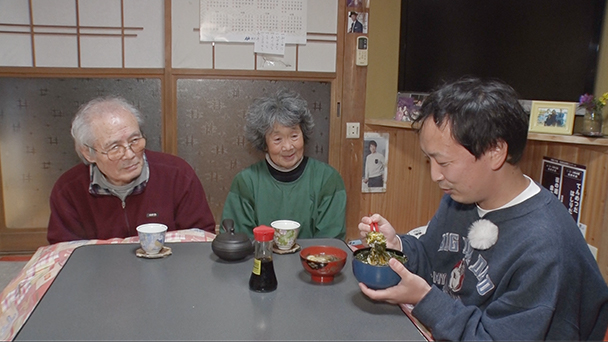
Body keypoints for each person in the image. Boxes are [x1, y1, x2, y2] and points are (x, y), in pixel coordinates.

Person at [357, 77, 608, 340]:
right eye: (428, 160)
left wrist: (426, 300)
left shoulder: (546, 248)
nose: (434, 175)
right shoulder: (461, 197)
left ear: (495, 151)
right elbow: (434, 259)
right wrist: (397, 245)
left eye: (443, 162)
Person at [47, 96, 215, 244]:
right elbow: (64, 251)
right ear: (88, 153)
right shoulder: (68, 190)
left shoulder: (177, 174)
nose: (129, 154)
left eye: (135, 140)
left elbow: (201, 237)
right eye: (114, 147)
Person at [222, 89, 346, 240]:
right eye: (277, 139)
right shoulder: (246, 182)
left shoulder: (327, 179)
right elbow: (238, 240)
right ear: (264, 143)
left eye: (294, 136)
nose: (288, 147)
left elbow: (330, 241)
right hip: (260, 262)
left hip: (312, 262)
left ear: (304, 135)